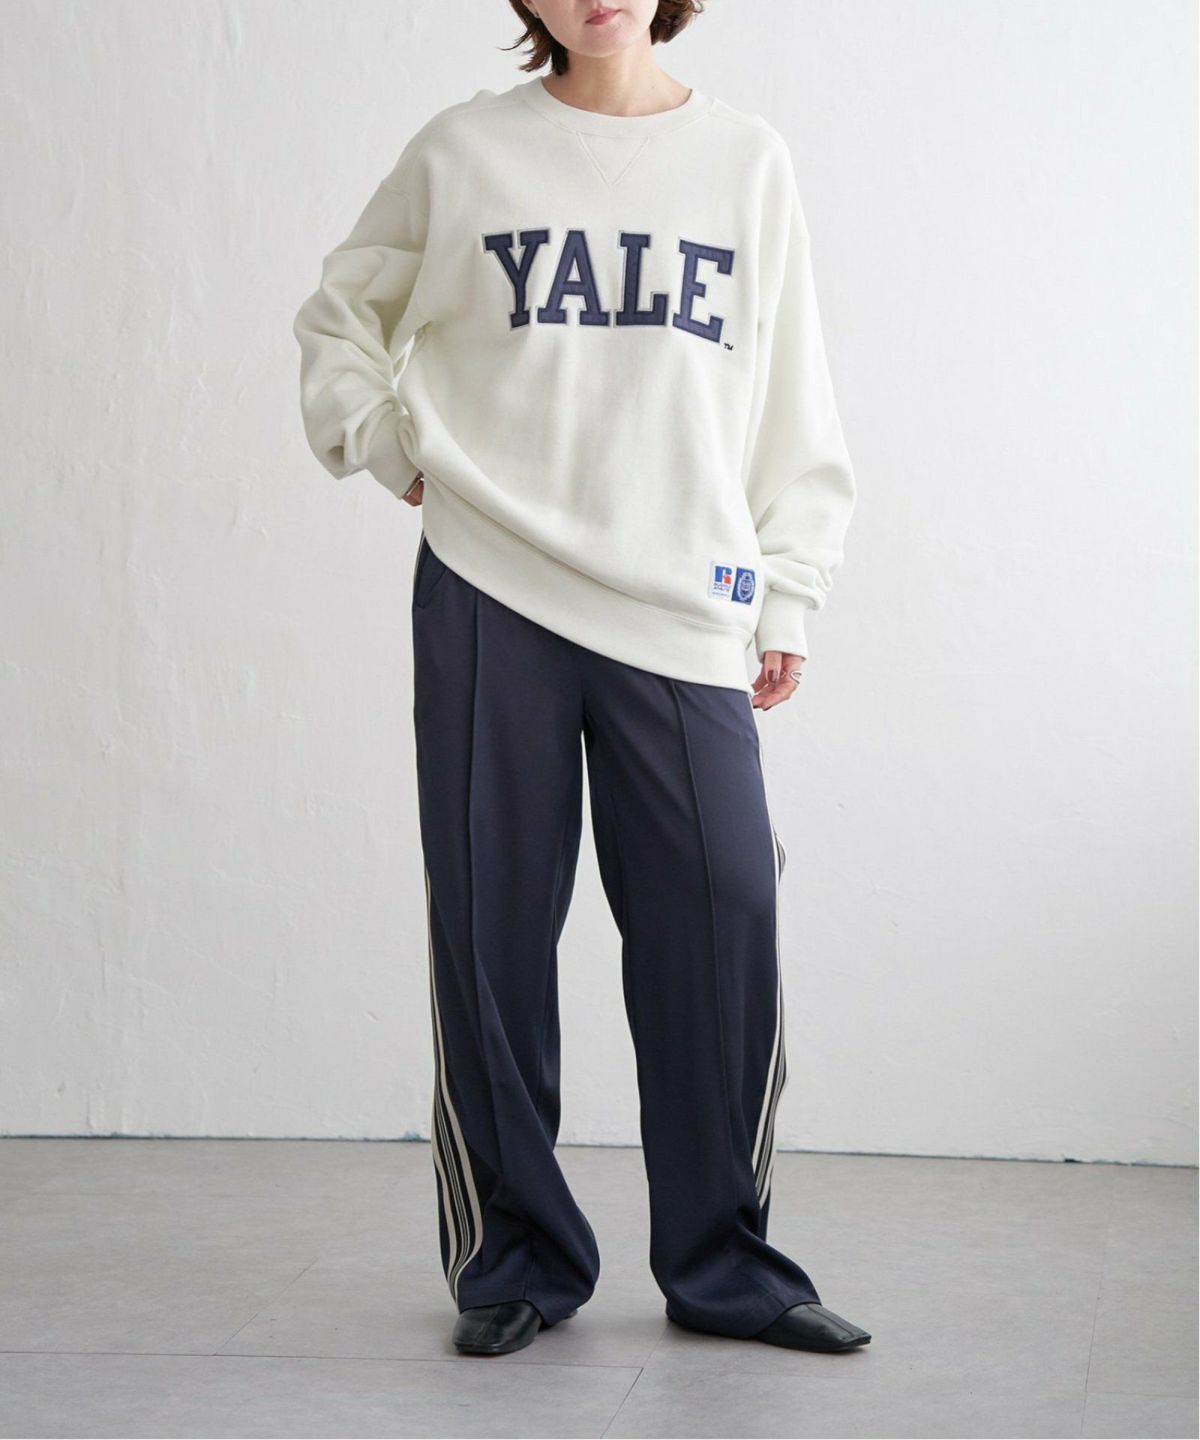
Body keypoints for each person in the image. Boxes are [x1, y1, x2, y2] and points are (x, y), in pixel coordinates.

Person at [292, 0, 868, 1358]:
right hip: (491, 582)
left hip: (681, 599)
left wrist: (790, 583)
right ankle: (516, 1262)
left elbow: (789, 390)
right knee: (490, 927)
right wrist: (388, 444)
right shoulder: (463, 155)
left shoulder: (744, 161)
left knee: (723, 909)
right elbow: (341, 316)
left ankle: (726, 1262)